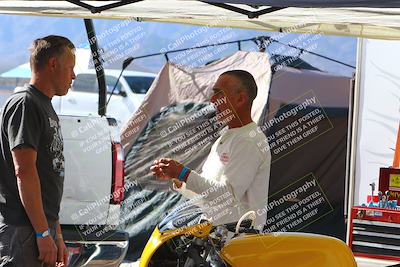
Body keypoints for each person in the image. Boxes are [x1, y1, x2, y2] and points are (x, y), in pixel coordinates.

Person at [150, 70, 271, 228]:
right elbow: (210, 196)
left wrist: (183, 173)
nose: (213, 100)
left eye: (219, 94)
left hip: (237, 242)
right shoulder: (228, 137)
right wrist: (180, 181)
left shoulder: (248, 140)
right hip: (216, 238)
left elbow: (227, 198)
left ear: (240, 99)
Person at [0, 35, 76, 266]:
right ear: (53, 64)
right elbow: (24, 171)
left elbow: (48, 177)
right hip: (23, 229)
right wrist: (43, 233)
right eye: (70, 68)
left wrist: (56, 233)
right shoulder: (25, 104)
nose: (73, 76)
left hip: (41, 228)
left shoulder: (45, 106)